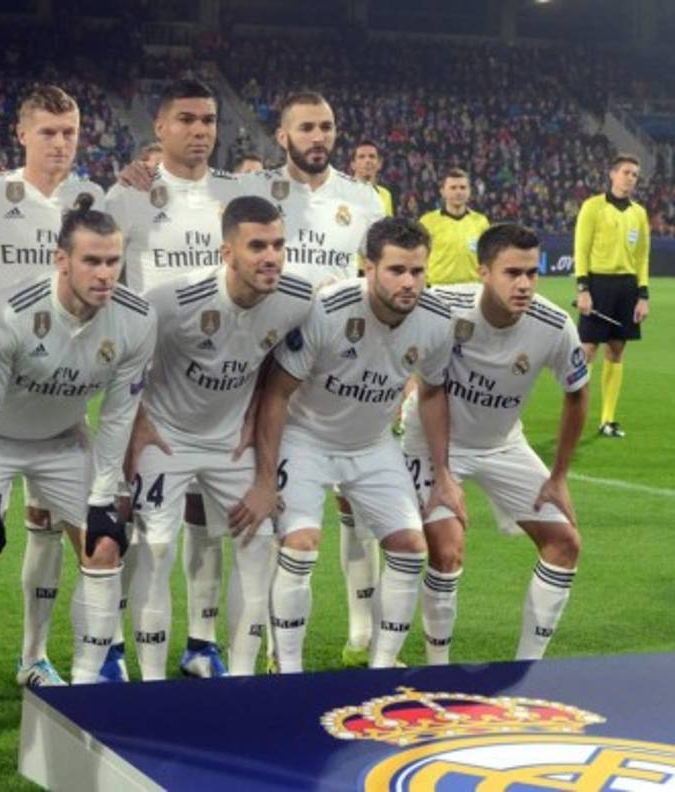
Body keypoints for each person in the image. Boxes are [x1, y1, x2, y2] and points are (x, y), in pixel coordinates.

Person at [0, 197, 156, 700]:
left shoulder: (136, 318)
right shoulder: (13, 312)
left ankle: (81, 691)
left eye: (113, 261)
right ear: (62, 260)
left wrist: (104, 495)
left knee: (105, 544)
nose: (105, 274)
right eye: (92, 261)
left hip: (62, 438)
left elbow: (117, 415)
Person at [252, 217, 463, 672]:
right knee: (300, 543)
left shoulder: (438, 318)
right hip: (306, 438)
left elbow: (432, 392)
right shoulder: (328, 310)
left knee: (410, 547)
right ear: (368, 267)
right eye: (397, 270)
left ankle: (381, 668)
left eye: (418, 271)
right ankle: (286, 669)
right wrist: (265, 477)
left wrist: (443, 476)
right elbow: (275, 393)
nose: (409, 283)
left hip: (372, 444)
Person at [0, 84, 105, 688]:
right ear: (22, 135)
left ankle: (34, 657)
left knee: (68, 535)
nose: (60, 143)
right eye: (48, 132)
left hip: (62, 407)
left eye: (69, 132)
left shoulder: (92, 199)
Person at [124, 195, 312, 680]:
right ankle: (151, 684)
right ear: (227, 252)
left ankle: (242, 682)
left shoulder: (297, 298)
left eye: (278, 245)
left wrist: (264, 470)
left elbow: (278, 362)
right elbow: (124, 351)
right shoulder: (174, 301)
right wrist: (136, 416)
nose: (271, 257)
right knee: (156, 547)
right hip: (166, 438)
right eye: (257, 246)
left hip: (230, 444)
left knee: (257, 542)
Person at [107, 78, 248, 679]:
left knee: (209, 527)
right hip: (149, 387)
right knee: (138, 527)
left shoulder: (238, 195)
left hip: (220, 390)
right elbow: (108, 289)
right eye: (186, 119)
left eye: (208, 120)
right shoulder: (128, 196)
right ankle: (112, 647)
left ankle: (201, 643)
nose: (199, 130)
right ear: (159, 127)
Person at [242, 91, 388, 668]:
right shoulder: (253, 192)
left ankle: (361, 635)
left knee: (358, 503)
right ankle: (275, 648)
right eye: (306, 127)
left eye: (326, 126)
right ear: (283, 136)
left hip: (341, 367)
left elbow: (377, 280)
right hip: (267, 366)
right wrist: (142, 173)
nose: (318, 137)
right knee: (276, 508)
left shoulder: (364, 199)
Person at [400, 223, 588, 664]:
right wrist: (443, 474)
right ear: (483, 272)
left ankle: (529, 666)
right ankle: (439, 670)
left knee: (565, 543)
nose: (524, 284)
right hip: (431, 444)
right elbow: (409, 360)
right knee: (447, 551)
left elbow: (577, 394)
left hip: (503, 444)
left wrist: (559, 476)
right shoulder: (444, 307)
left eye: (531, 273)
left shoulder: (553, 325)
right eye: (512, 273)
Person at [574, 154, 650, 438]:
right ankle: (576, 414)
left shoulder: (638, 213)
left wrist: (643, 295)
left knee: (616, 349)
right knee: (587, 350)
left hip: (627, 286)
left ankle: (607, 419)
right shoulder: (593, 206)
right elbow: (581, 248)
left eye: (635, 174)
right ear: (612, 174)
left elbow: (642, 256)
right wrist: (583, 289)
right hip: (598, 283)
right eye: (626, 172)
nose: (631, 178)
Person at [419, 168, 491, 286]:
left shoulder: (481, 222)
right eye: (453, 188)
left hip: (473, 288)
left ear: (469, 191)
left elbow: (488, 258)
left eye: (463, 188)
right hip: (438, 288)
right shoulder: (427, 221)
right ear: (443, 191)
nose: (458, 192)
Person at [350, 139, 392, 216]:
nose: (367, 160)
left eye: (372, 156)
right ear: (353, 164)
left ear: (379, 164)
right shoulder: (342, 192)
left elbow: (387, 223)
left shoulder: (385, 195)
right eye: (361, 157)